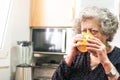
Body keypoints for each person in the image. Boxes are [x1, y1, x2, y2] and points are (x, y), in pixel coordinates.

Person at [52, 6, 120, 80]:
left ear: (107, 33)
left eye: (93, 31)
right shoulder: (77, 56)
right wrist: (70, 55)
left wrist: (106, 62)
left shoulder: (118, 57)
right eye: (84, 31)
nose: (87, 36)